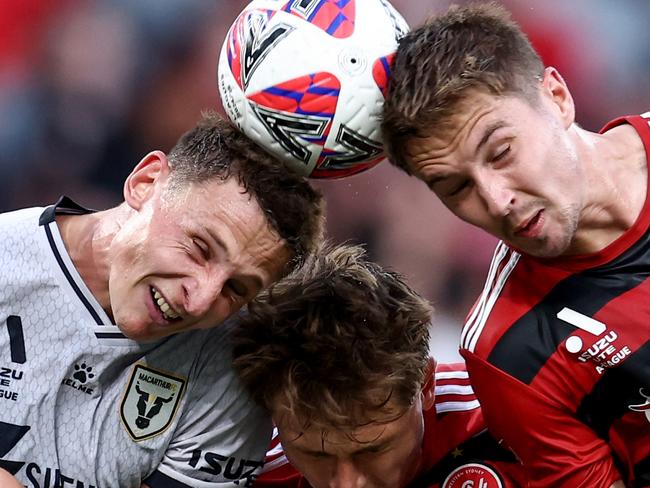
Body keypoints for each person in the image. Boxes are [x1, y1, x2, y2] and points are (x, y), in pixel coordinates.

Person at [380, 3, 650, 487]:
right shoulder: (510, 351)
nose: (496, 200)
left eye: (501, 151)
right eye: (456, 188)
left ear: (557, 96)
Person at [0, 111, 325, 488]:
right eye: (200, 248)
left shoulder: (229, 372)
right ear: (145, 182)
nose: (200, 301)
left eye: (236, 288)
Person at [232, 243, 528, 488]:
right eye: (316, 454)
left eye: (372, 449)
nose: (347, 484)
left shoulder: (513, 420)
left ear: (425, 385)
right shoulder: (244, 472)